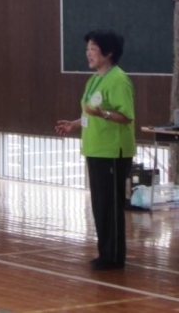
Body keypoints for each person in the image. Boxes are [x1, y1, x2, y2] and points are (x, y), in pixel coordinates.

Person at [55, 30, 135, 270]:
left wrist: (104, 114)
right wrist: (74, 124)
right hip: (95, 148)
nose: (88, 53)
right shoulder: (94, 79)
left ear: (108, 52)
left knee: (110, 205)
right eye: (87, 48)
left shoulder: (119, 80)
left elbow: (126, 116)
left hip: (112, 151)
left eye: (93, 48)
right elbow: (89, 113)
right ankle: (106, 253)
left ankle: (114, 257)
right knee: (100, 204)